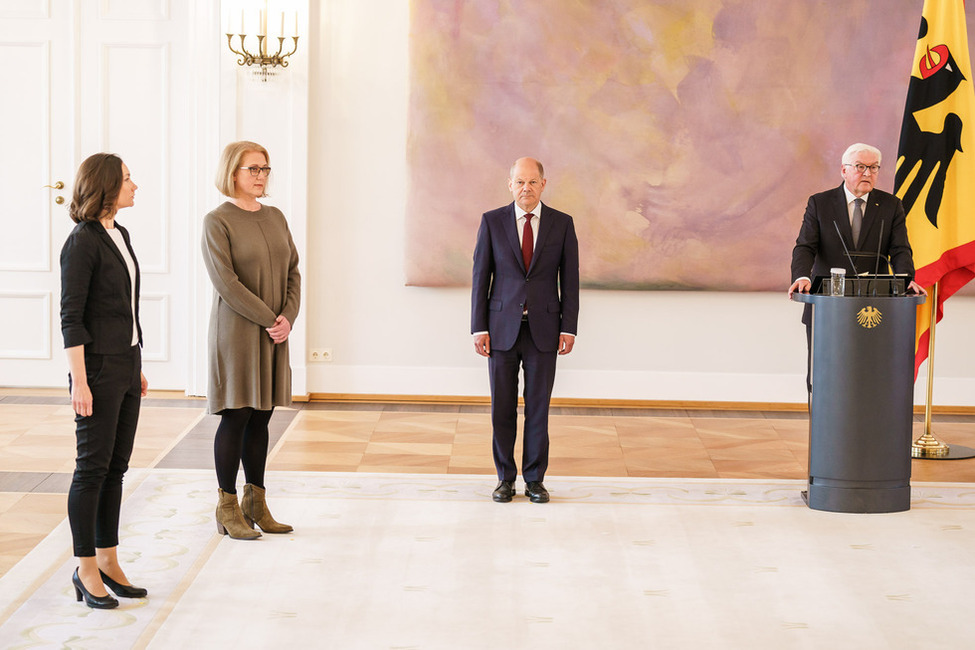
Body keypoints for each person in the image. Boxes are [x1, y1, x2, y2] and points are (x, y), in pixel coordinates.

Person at [60, 153, 149, 609]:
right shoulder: (82, 242)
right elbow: (71, 318)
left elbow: (124, 306)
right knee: (91, 469)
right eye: (129, 180)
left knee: (116, 468)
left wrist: (137, 364)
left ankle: (109, 560)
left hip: (127, 364)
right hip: (95, 369)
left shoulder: (121, 233)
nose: (135, 186)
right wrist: (80, 381)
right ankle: (85, 567)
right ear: (107, 187)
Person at [202, 141, 300, 540]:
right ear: (232, 173)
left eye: (264, 169)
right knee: (237, 414)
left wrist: (287, 318)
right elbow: (226, 282)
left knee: (262, 415)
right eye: (252, 169)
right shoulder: (217, 221)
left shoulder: (275, 216)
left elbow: (293, 270)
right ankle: (226, 506)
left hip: (274, 331)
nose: (260, 176)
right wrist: (269, 319)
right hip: (238, 332)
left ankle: (255, 503)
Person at [471, 157, 580, 504]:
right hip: (500, 329)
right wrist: (478, 328)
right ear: (510, 184)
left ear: (543, 185)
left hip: (545, 331)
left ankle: (535, 480)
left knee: (538, 408)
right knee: (501, 408)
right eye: (519, 182)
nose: (526, 189)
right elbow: (480, 277)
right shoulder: (492, 222)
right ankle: (505, 479)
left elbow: (571, 281)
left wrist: (570, 328)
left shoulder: (562, 224)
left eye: (532, 182)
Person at [789, 142, 926, 391]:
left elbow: (900, 250)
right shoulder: (820, 203)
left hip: (875, 307)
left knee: (870, 377)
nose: (868, 173)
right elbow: (805, 246)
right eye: (861, 167)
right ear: (844, 170)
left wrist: (906, 280)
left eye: (874, 168)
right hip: (827, 305)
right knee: (826, 377)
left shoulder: (890, 205)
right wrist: (801, 276)